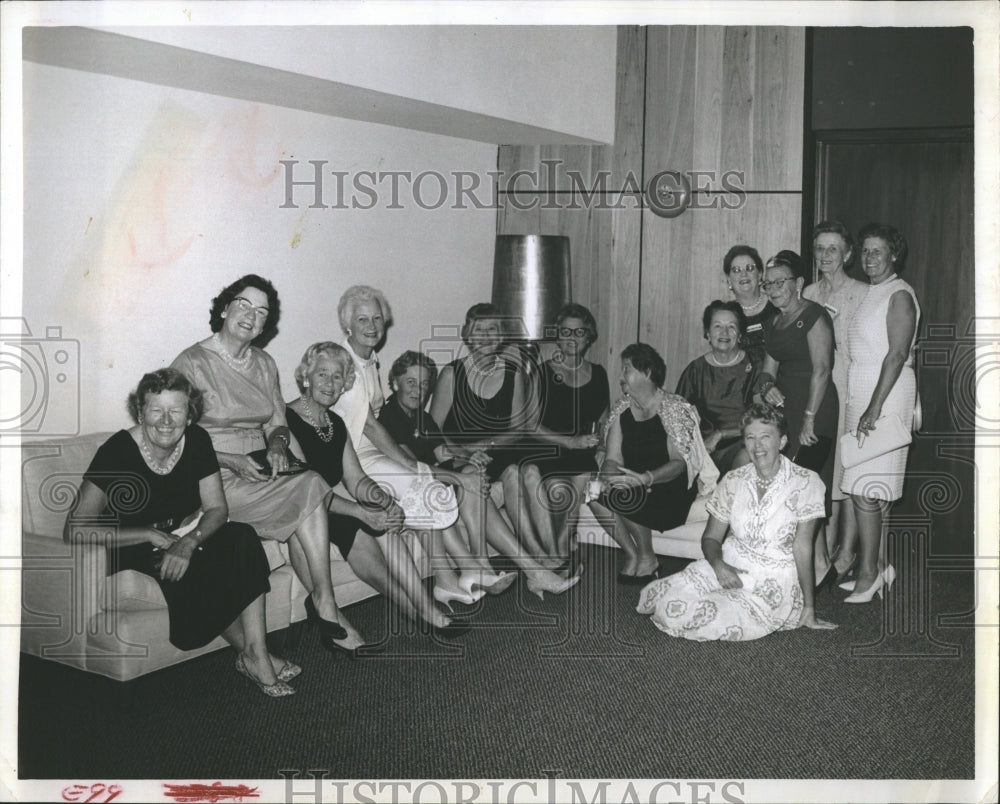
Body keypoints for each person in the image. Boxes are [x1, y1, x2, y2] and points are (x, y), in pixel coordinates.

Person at [64, 369, 297, 697]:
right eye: (155, 410)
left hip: (180, 535)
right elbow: (75, 530)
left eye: (176, 410)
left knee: (242, 538)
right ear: (141, 411)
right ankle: (250, 654)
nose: (165, 420)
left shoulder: (198, 441)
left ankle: (257, 653)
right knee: (192, 569)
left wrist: (189, 541)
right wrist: (148, 534)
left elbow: (217, 509)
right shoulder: (117, 451)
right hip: (127, 544)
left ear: (190, 415)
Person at [171, 275, 361, 654]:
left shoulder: (264, 363)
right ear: (224, 308)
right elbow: (176, 439)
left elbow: (277, 422)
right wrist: (229, 460)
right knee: (306, 493)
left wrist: (276, 444)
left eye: (262, 312)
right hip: (207, 478)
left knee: (309, 481)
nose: (251, 316)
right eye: (244, 304)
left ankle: (324, 600)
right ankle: (326, 608)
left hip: (255, 468)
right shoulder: (191, 362)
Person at [286, 342, 469, 638]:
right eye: (322, 375)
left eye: (337, 377)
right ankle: (418, 611)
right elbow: (304, 488)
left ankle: (423, 609)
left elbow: (356, 478)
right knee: (371, 527)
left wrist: (384, 502)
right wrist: (362, 510)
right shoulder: (287, 419)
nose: (330, 384)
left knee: (385, 524)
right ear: (306, 376)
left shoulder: (335, 422)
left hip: (336, 502)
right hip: (306, 511)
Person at [332, 286, 496, 608]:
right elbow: (369, 425)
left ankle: (456, 578)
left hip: (367, 449)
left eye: (377, 318)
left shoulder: (369, 359)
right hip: (350, 455)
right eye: (362, 319)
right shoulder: (345, 362)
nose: (372, 325)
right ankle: (465, 575)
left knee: (428, 490)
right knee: (424, 483)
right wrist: (409, 466)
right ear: (347, 325)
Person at [381, 349, 580, 600]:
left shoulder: (420, 416)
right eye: (410, 382)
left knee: (474, 473)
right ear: (395, 381)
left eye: (423, 384)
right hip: (417, 488)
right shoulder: (390, 417)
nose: (417, 390)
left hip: (436, 481)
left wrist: (468, 456)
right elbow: (412, 466)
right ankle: (521, 569)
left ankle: (494, 567)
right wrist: (461, 476)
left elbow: (441, 450)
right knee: (469, 481)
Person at [636, 404, 838, 640]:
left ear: (782, 442)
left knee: (703, 615)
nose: (758, 446)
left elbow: (802, 547)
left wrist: (809, 607)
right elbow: (711, 537)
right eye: (750, 438)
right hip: (729, 562)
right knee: (663, 598)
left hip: (772, 579)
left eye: (766, 437)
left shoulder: (806, 482)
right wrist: (718, 564)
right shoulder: (733, 480)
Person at [429, 303, 559, 568]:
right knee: (509, 472)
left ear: (501, 337)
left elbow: (518, 428)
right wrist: (466, 452)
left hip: (498, 451)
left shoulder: (514, 374)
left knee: (522, 471)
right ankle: (538, 557)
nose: (486, 336)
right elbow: (433, 431)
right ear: (467, 335)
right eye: (479, 330)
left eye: (493, 330)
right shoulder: (452, 374)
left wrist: (485, 445)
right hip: (459, 456)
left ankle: (548, 555)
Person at [588, 343, 718, 584]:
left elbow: (679, 464)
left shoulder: (674, 408)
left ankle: (648, 558)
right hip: (633, 481)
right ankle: (632, 553)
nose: (620, 376)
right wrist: (607, 478)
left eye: (627, 369)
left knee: (626, 492)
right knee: (593, 491)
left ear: (647, 372)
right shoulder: (621, 409)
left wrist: (645, 478)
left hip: (668, 485)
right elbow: (613, 458)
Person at [839, 223, 920, 603]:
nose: (870, 258)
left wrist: (873, 406)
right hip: (864, 394)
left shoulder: (899, 294)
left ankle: (869, 573)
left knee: (868, 491)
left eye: (878, 252)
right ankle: (879, 564)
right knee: (867, 488)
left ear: (893, 256)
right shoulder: (873, 292)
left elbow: (898, 354)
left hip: (885, 397)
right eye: (866, 251)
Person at [757, 253, 839, 587]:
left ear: (799, 283)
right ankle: (820, 564)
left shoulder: (814, 315)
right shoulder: (774, 322)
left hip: (815, 411)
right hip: (786, 412)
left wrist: (808, 419)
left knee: (800, 485)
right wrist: (767, 388)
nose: (774, 289)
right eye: (769, 283)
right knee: (804, 489)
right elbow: (767, 371)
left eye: (781, 282)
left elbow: (822, 369)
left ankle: (813, 565)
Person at [802, 221, 869, 584]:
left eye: (833, 249)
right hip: (817, 383)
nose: (825, 255)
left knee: (847, 469)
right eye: (820, 249)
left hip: (850, 383)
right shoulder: (809, 292)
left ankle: (845, 551)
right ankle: (823, 552)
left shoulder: (863, 293)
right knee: (824, 466)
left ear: (847, 254)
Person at [522, 303, 610, 561]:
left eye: (579, 332)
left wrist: (603, 447)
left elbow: (604, 418)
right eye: (566, 332)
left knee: (581, 477)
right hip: (550, 447)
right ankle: (559, 548)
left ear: (588, 337)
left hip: (584, 449)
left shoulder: (599, 373)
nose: (573, 338)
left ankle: (558, 548)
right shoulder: (542, 372)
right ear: (558, 336)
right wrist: (569, 442)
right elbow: (530, 425)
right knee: (558, 486)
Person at [675, 300, 758, 475]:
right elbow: (678, 420)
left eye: (731, 327)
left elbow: (764, 420)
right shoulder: (695, 370)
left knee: (746, 461)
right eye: (717, 326)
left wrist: (722, 434)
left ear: (740, 333)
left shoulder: (755, 366)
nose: (724, 333)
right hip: (706, 449)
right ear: (707, 332)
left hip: (746, 443)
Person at [723, 245, 776, 369]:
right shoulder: (725, 314)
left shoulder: (777, 306)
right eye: (736, 270)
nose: (743, 274)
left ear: (759, 275)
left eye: (750, 268)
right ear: (729, 281)